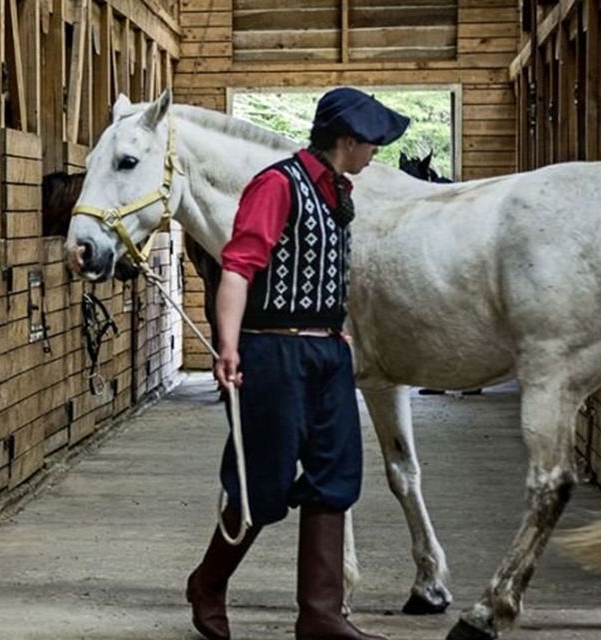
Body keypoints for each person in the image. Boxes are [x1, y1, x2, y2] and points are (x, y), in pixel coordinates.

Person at [185, 87, 409, 640]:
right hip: (273, 351)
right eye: (371, 142)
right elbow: (237, 268)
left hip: (329, 352)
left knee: (335, 477)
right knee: (260, 483)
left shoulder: (338, 192)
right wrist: (229, 346)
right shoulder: (277, 184)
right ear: (347, 139)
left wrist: (339, 333)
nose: (375, 151)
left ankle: (321, 617)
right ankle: (208, 583)